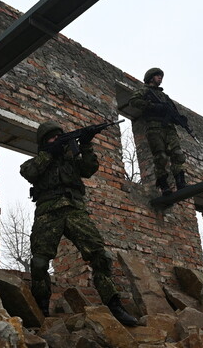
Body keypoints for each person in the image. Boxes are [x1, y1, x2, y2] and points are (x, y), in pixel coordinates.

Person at [20, 121, 138, 326]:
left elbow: (89, 168)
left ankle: (115, 306)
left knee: (101, 256)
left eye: (59, 136)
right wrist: (50, 153)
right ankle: (41, 309)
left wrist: (86, 145)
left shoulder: (71, 161)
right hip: (48, 213)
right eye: (52, 138)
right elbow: (29, 173)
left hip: (75, 210)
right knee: (39, 263)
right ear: (43, 143)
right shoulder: (36, 162)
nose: (57, 140)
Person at [128, 67, 187, 196]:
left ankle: (180, 182)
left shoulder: (165, 97)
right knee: (160, 156)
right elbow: (133, 101)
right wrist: (152, 106)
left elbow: (172, 111)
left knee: (177, 153)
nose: (160, 78)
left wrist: (180, 119)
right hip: (154, 128)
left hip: (169, 128)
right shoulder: (144, 91)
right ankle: (164, 185)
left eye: (161, 76)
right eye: (157, 75)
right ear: (151, 77)